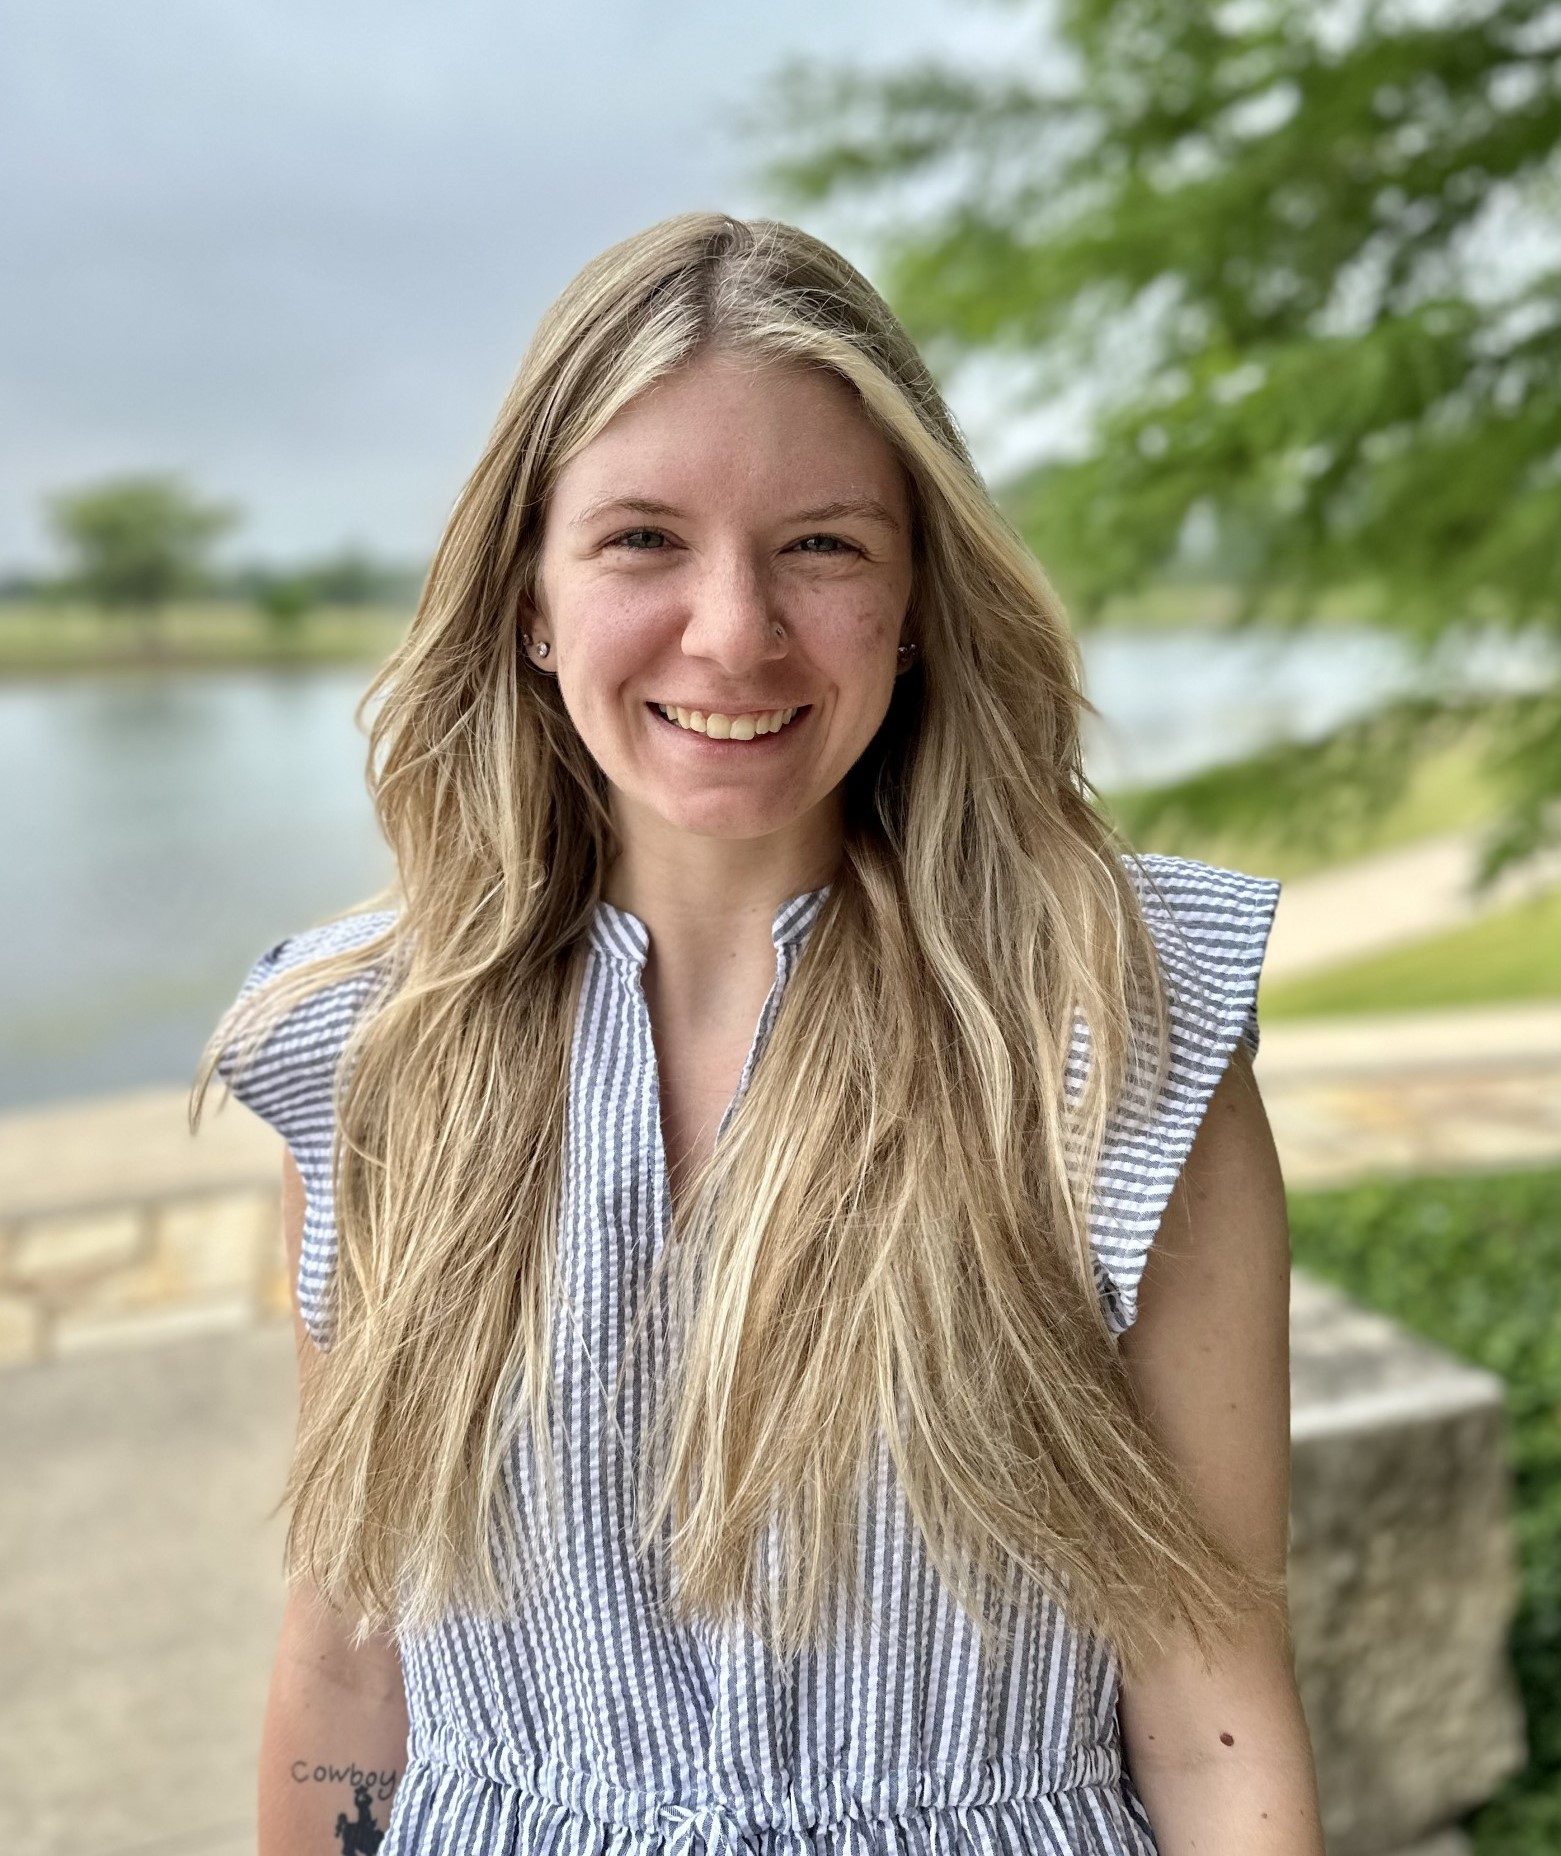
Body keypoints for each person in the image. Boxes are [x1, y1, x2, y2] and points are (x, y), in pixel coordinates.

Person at [193, 211, 1325, 1856]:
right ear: (528, 599)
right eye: (643, 540)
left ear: (919, 597)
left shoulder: (1112, 1041)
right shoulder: (373, 1052)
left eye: (822, 546)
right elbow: (351, 1666)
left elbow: (1217, 1717)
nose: (733, 632)